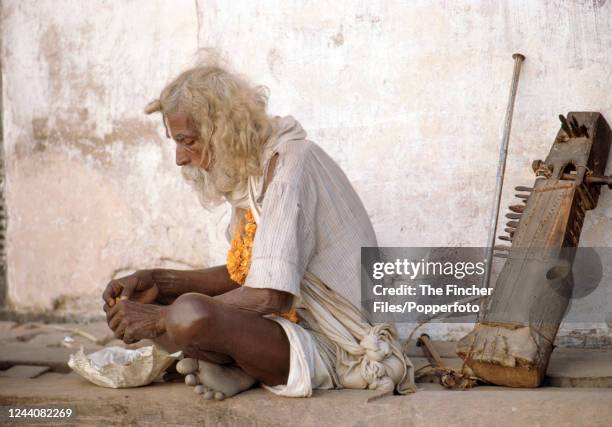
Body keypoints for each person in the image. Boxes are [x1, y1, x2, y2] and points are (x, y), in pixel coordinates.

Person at [102, 64, 414, 400]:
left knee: (189, 314)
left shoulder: (289, 166)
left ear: (221, 131)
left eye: (186, 141)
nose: (180, 158)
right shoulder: (249, 172)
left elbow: (270, 296)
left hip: (338, 342)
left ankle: (244, 366)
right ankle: (242, 368)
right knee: (174, 306)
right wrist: (160, 283)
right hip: (287, 325)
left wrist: (162, 319)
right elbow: (248, 275)